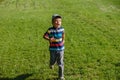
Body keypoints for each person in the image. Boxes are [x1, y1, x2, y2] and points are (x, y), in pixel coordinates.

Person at [43, 14, 65, 80]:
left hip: (61, 49)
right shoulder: (50, 30)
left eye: (59, 21)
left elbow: (63, 34)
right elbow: (44, 36)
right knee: (53, 60)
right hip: (52, 49)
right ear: (52, 22)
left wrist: (63, 40)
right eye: (56, 21)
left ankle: (61, 76)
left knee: (60, 62)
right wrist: (49, 39)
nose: (58, 22)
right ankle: (51, 64)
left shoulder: (62, 29)